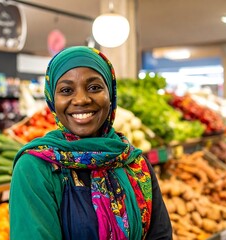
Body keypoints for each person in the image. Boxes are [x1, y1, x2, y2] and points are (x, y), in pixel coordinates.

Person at [9, 46, 172, 240]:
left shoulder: (135, 164)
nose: (81, 100)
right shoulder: (35, 168)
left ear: (110, 95)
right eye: (66, 90)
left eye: (94, 87)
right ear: (52, 100)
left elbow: (160, 236)